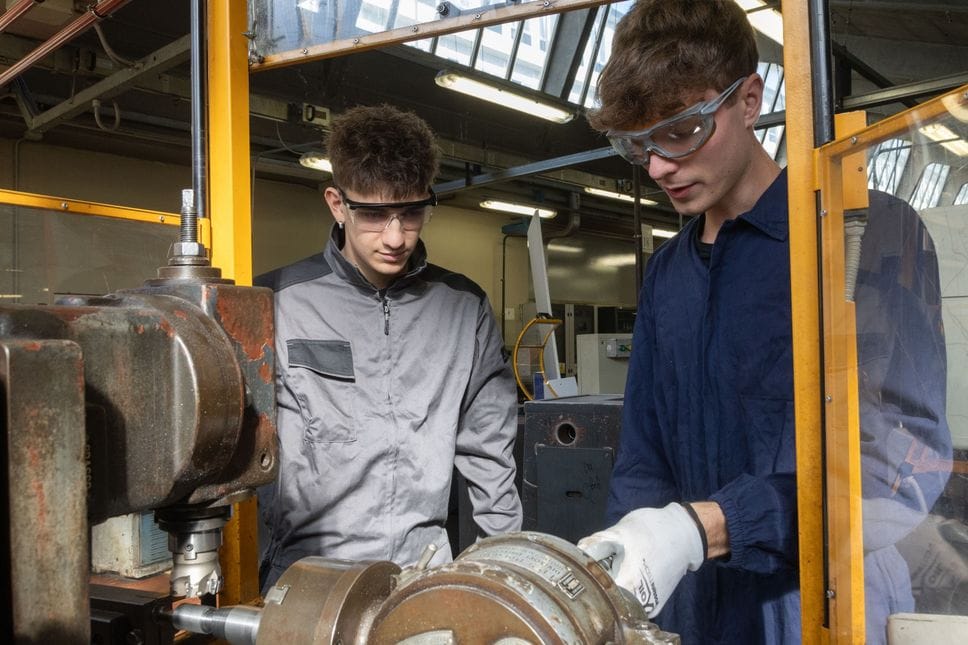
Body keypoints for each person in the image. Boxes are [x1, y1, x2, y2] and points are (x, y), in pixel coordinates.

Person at [576, 1, 951, 643]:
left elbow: (901, 465)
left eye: (681, 129)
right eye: (639, 145)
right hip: (691, 609)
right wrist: (620, 581)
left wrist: (708, 527)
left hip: (821, 604)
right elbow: (643, 460)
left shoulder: (863, 234)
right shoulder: (669, 273)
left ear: (750, 99)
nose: (659, 166)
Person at [256, 104, 522, 593]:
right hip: (308, 579)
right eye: (375, 214)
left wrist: (506, 568)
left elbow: (489, 449)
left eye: (412, 212)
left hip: (422, 576)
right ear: (337, 203)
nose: (396, 237)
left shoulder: (463, 308)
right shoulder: (276, 304)